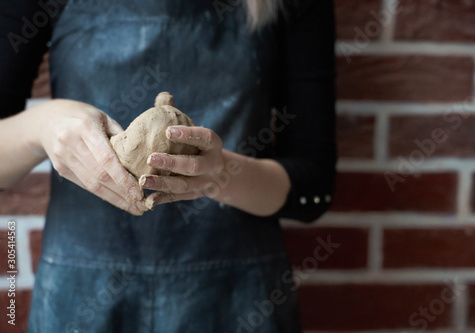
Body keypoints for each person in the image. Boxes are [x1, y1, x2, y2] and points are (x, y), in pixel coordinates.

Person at [0, 0, 336, 331]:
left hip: (236, 295)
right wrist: (41, 126)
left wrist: (219, 175)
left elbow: (313, 185)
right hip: (82, 295)